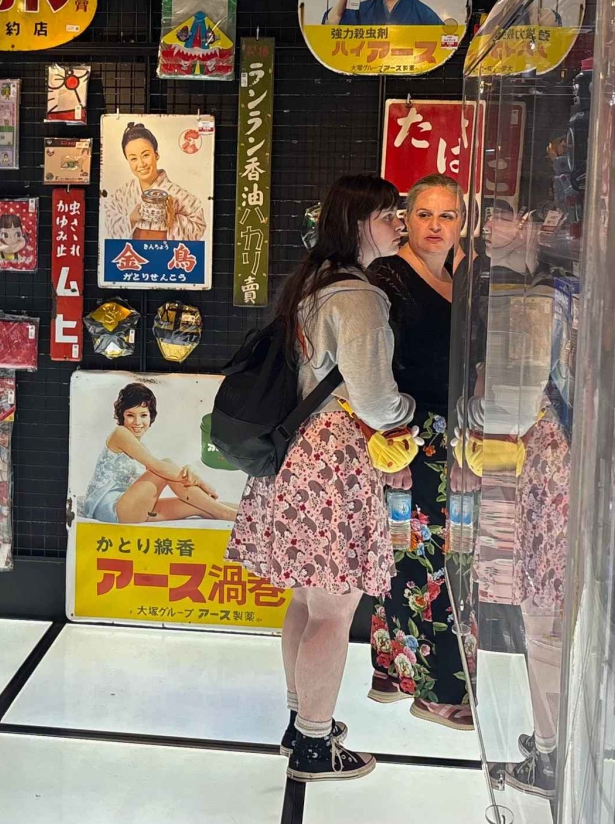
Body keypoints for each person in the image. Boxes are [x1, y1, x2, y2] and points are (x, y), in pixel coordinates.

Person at [227, 173, 414, 782]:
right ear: (361, 224)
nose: (401, 225)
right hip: (335, 462)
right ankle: (314, 743)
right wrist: (409, 412)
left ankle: (299, 720)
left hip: (294, 456)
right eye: (389, 215)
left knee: (308, 600)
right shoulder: (358, 297)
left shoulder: (312, 283)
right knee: (334, 608)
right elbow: (377, 401)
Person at [365, 173, 472, 729]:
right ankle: (437, 691)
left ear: (462, 223)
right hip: (407, 437)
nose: (435, 226)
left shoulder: (459, 276)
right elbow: (372, 369)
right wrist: (392, 443)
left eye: (447, 215)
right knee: (424, 561)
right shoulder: (386, 276)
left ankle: (394, 670)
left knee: (427, 557)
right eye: (424, 214)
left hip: (454, 438)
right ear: (405, 219)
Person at [79, 382, 237, 524]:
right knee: (165, 464)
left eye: (143, 415)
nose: (137, 422)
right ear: (122, 416)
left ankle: (243, 513)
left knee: (197, 506)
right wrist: (198, 481)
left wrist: (189, 472)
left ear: (151, 416)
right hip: (113, 509)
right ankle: (225, 513)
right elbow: (159, 468)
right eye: (130, 415)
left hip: (134, 508)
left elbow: (164, 473)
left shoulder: (141, 448)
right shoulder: (119, 434)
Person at [102, 121, 207, 241]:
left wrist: (173, 221)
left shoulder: (176, 194)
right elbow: (107, 219)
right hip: (133, 251)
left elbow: (199, 225)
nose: (141, 164)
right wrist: (131, 219)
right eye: (133, 158)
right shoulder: (123, 193)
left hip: (164, 251)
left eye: (145, 155)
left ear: (156, 155)